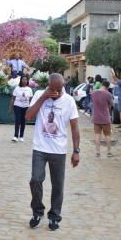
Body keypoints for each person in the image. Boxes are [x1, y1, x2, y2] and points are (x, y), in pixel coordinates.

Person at [25, 73, 80, 231]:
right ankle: (37, 211)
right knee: (35, 179)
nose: (55, 92)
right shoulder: (38, 95)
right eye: (52, 88)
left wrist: (76, 150)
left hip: (58, 150)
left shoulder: (69, 101)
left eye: (59, 89)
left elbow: (75, 127)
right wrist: (43, 97)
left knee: (57, 185)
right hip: (40, 147)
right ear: (47, 85)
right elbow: (28, 116)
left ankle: (54, 216)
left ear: (63, 87)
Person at [91, 80, 113, 157]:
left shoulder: (94, 93)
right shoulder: (108, 94)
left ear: (101, 84)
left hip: (96, 117)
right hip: (105, 118)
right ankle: (109, 152)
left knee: (97, 135)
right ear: (107, 87)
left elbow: (93, 102)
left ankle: (97, 152)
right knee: (107, 135)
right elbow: (110, 105)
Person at [9, 75, 33, 142]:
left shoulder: (29, 89)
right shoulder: (17, 88)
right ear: (21, 80)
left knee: (23, 121)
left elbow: (31, 100)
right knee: (17, 120)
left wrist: (30, 109)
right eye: (23, 79)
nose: (24, 81)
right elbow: (13, 99)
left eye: (25, 79)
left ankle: (21, 136)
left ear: (27, 81)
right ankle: (15, 136)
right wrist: (10, 108)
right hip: (17, 106)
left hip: (26, 107)